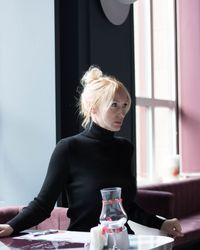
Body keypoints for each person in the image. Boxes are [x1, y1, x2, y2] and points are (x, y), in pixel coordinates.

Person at [0, 66, 183, 238]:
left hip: (122, 241)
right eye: (114, 105)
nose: (122, 113)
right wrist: (12, 226)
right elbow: (43, 205)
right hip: (85, 242)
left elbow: (124, 206)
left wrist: (161, 223)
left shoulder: (124, 148)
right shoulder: (69, 148)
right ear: (93, 107)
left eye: (125, 105)